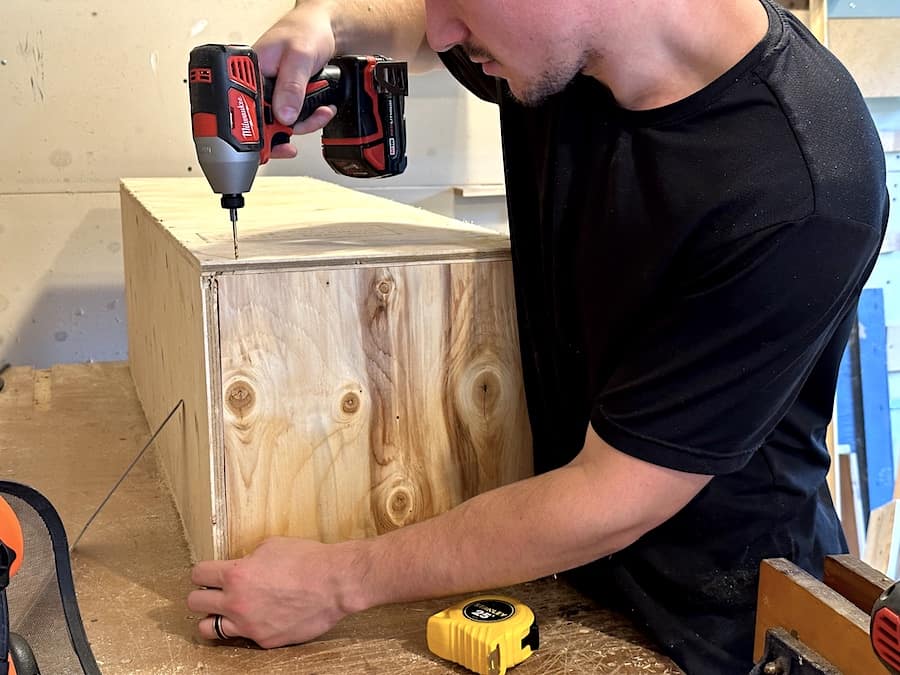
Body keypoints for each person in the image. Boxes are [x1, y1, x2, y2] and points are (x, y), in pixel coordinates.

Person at [187, 1, 890, 671]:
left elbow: (611, 497)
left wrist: (336, 581)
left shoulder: (805, 182)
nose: (439, 25)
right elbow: (418, 27)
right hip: (560, 575)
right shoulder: (561, 43)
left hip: (716, 626)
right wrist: (332, 22)